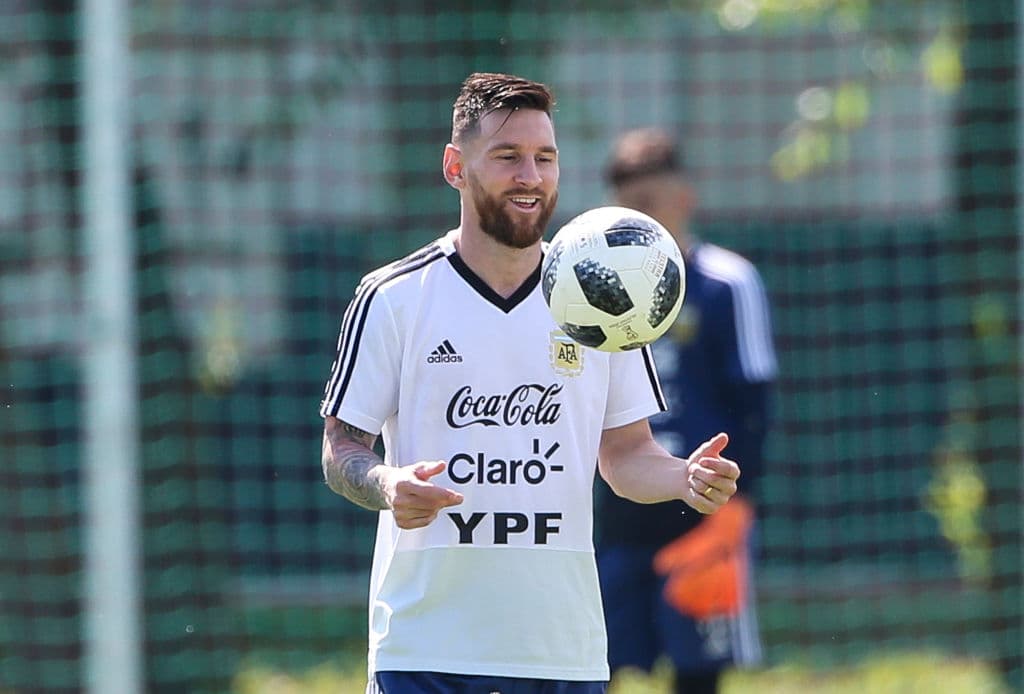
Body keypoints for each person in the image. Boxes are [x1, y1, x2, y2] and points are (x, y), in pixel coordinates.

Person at [319, 73, 741, 694]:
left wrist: (683, 476)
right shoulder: (395, 298)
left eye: (545, 158)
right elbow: (341, 448)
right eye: (508, 157)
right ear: (455, 166)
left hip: (559, 654)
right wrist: (387, 483)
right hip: (425, 650)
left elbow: (625, 457)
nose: (531, 176)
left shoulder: (603, 296)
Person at [595, 127, 778, 694]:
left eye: (648, 205)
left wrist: (734, 509)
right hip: (616, 511)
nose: (638, 222)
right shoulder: (591, 290)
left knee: (698, 675)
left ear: (685, 196)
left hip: (701, 512)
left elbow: (754, 403)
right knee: (591, 668)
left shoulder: (727, 283)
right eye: (626, 209)